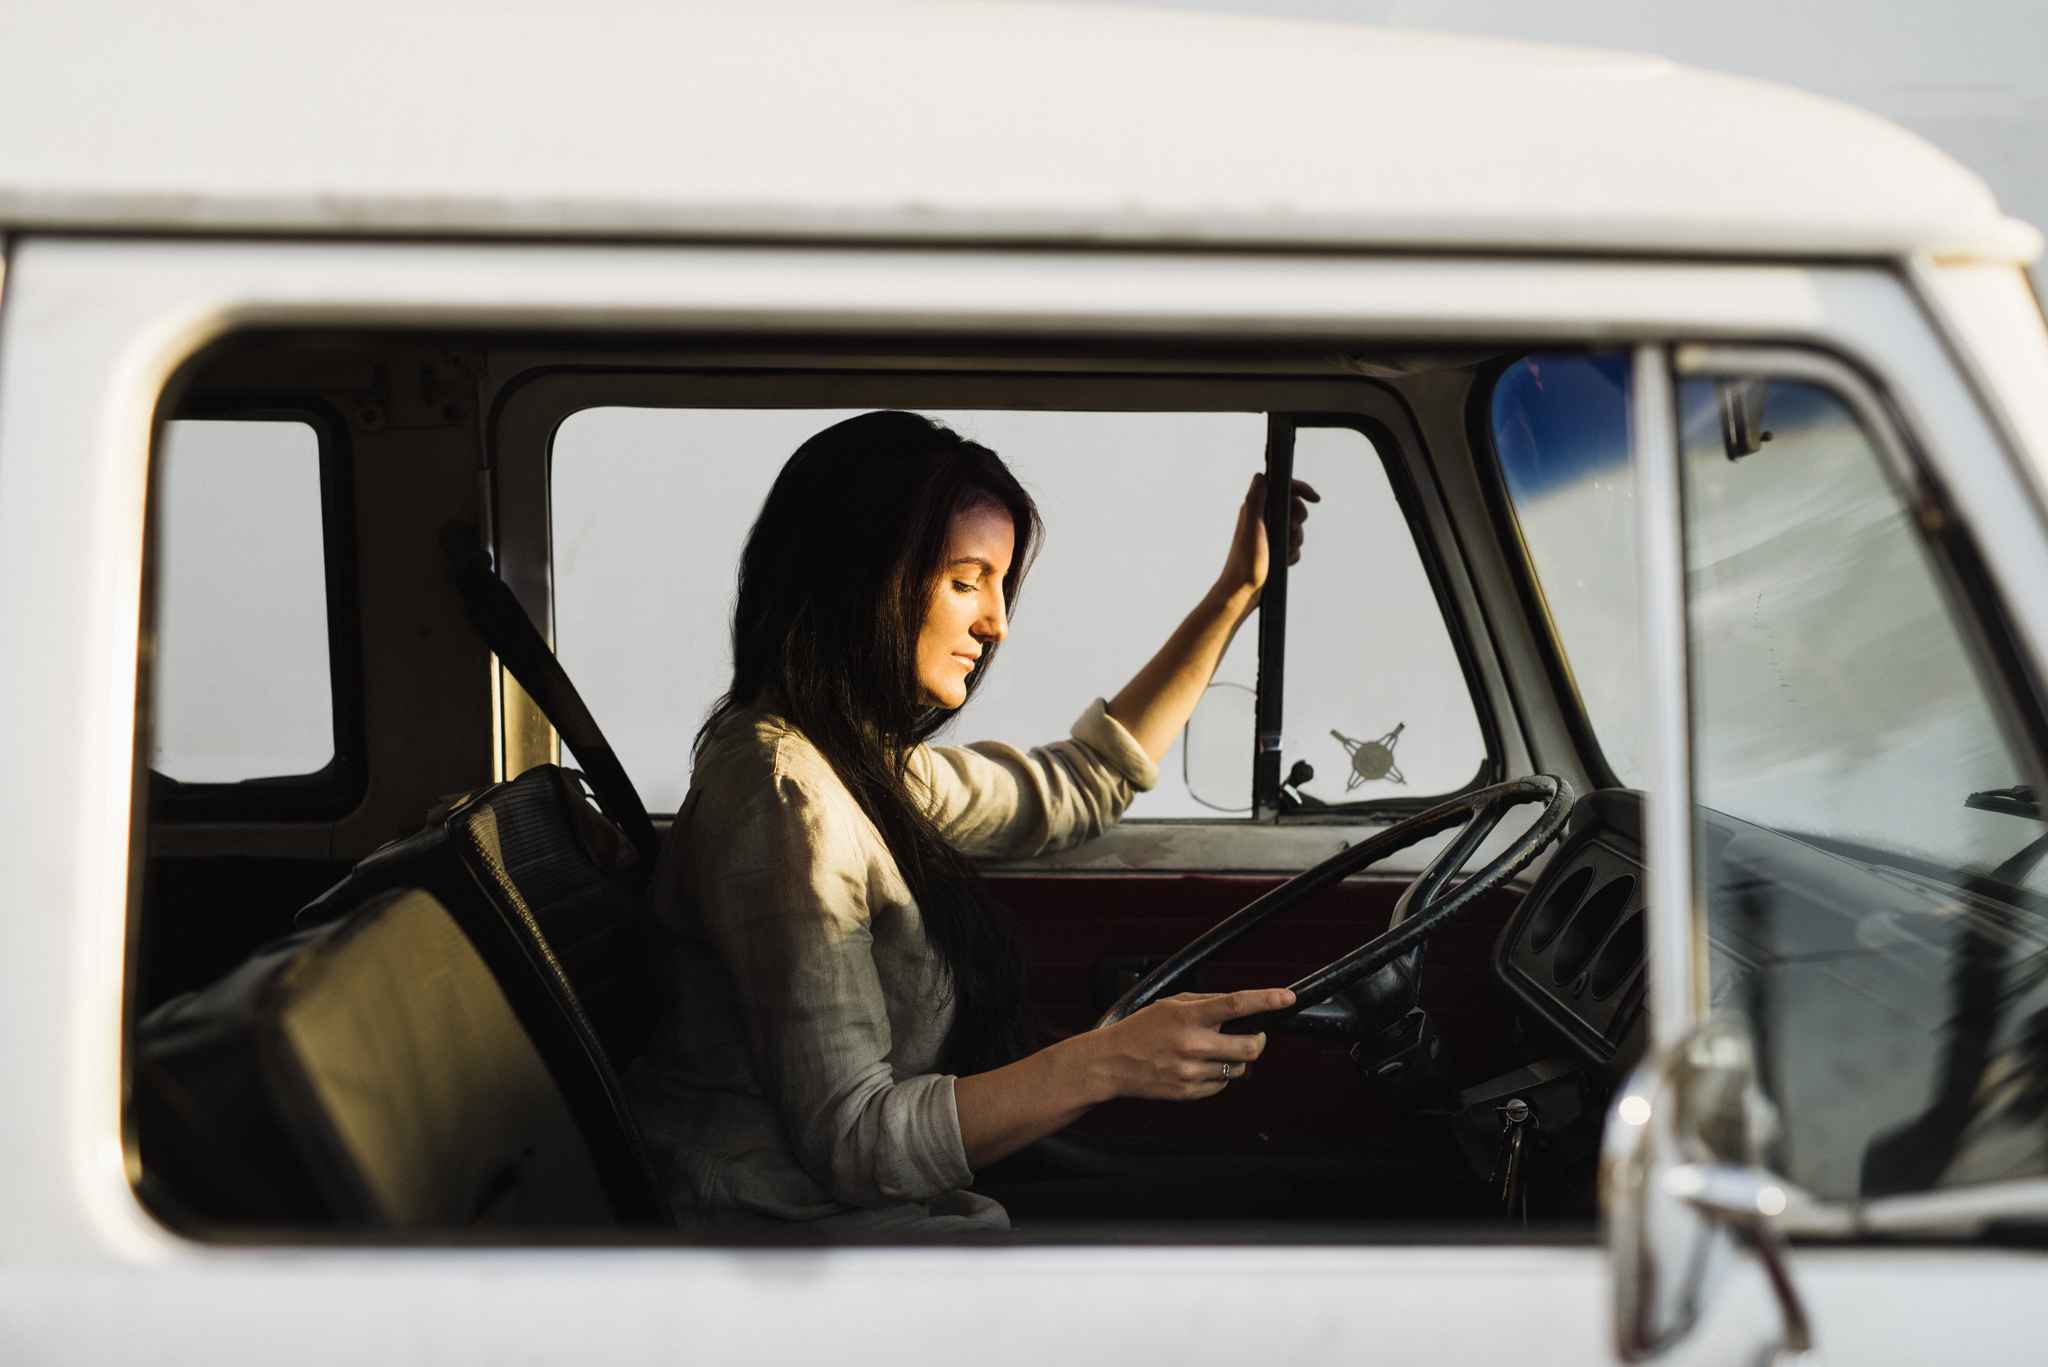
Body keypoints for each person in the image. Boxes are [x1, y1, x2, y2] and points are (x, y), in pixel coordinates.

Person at [624, 410, 1315, 1236]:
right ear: (860, 575)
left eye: (1000, 583)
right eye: (965, 580)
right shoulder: (787, 797)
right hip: (797, 1247)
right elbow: (855, 1142)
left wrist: (1238, 591)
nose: (996, 625)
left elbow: (1083, 783)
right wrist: (1105, 1062)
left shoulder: (860, 766)